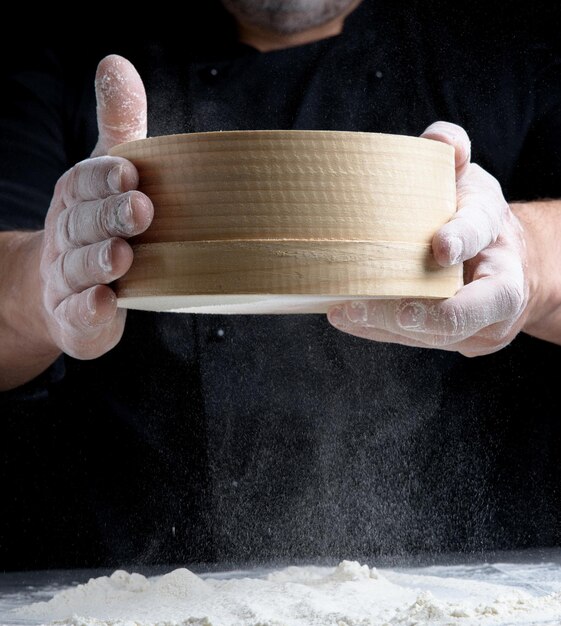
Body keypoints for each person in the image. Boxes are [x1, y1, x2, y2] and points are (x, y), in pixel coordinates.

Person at [1, 1, 561, 570]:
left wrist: (527, 254)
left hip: (476, 574)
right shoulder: (55, 46)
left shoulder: (513, 39)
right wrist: (48, 279)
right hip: (122, 578)